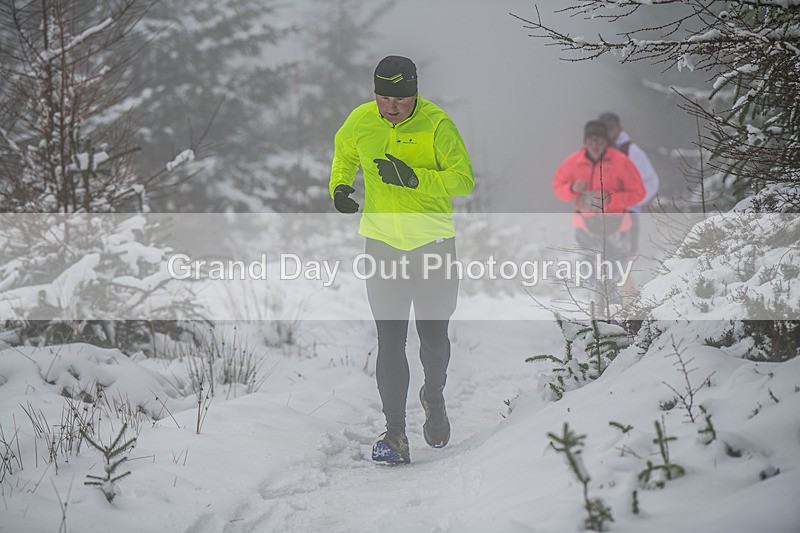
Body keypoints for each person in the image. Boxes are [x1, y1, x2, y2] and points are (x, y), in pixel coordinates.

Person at [329, 55, 474, 464]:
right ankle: (395, 436)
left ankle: (434, 394)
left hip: (432, 246)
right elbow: (344, 155)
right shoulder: (361, 119)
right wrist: (339, 186)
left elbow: (462, 179)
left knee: (432, 338)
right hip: (382, 245)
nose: (391, 106)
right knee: (390, 341)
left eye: (401, 98)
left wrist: (415, 179)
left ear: (415, 91)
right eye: (383, 97)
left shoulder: (437, 123)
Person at [552, 120, 645, 311]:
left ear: (606, 142)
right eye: (591, 140)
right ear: (585, 141)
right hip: (584, 224)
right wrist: (571, 188)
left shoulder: (621, 162)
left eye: (599, 140)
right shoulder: (573, 162)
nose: (595, 144)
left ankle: (614, 311)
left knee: (615, 271)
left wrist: (612, 199)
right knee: (589, 270)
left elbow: (639, 193)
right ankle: (594, 310)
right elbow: (558, 187)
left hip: (616, 225)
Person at [598, 112, 660, 250]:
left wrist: (631, 203)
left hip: (627, 214)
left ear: (618, 128)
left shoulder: (631, 151)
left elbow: (651, 182)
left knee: (626, 260)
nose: (606, 132)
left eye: (610, 128)